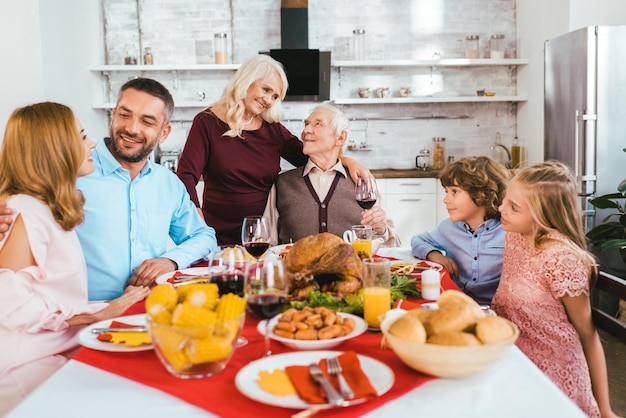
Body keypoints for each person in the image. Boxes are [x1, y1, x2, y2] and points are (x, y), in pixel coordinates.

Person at [0, 102, 150, 415]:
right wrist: (96, 314)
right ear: (54, 150)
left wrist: (108, 310)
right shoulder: (24, 209)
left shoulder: (45, 207)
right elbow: (11, 306)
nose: (93, 143)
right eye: (81, 136)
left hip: (58, 352)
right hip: (27, 372)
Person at [176, 54, 372, 245]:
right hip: (217, 232)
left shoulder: (272, 129)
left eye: (275, 96)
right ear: (247, 80)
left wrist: (347, 160)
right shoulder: (206, 122)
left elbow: (311, 156)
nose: (269, 100)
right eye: (266, 89)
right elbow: (186, 175)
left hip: (263, 236)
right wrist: (196, 215)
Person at [492, 161, 618, 418]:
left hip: (554, 378)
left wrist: (604, 409)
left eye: (513, 207)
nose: (500, 208)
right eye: (506, 200)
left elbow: (587, 334)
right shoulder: (516, 234)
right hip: (513, 362)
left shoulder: (560, 260)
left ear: (543, 217)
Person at [76, 78, 219, 301]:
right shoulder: (75, 171)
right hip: (84, 313)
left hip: (149, 310)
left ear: (164, 132)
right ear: (113, 115)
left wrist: (170, 261)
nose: (131, 128)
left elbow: (204, 236)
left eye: (147, 121)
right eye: (124, 115)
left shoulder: (168, 183)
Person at [264, 104, 399, 246]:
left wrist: (382, 230)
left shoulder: (362, 182)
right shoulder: (283, 183)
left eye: (318, 124)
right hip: (295, 268)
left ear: (340, 137)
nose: (306, 130)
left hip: (352, 268)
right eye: (307, 124)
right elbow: (267, 243)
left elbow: (393, 245)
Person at [410, 156, 510, 305]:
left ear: (482, 194)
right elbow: (417, 240)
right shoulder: (448, 228)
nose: (446, 199)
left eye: (454, 191)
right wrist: (434, 255)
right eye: (446, 191)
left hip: (496, 311)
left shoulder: (508, 232)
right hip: (456, 305)